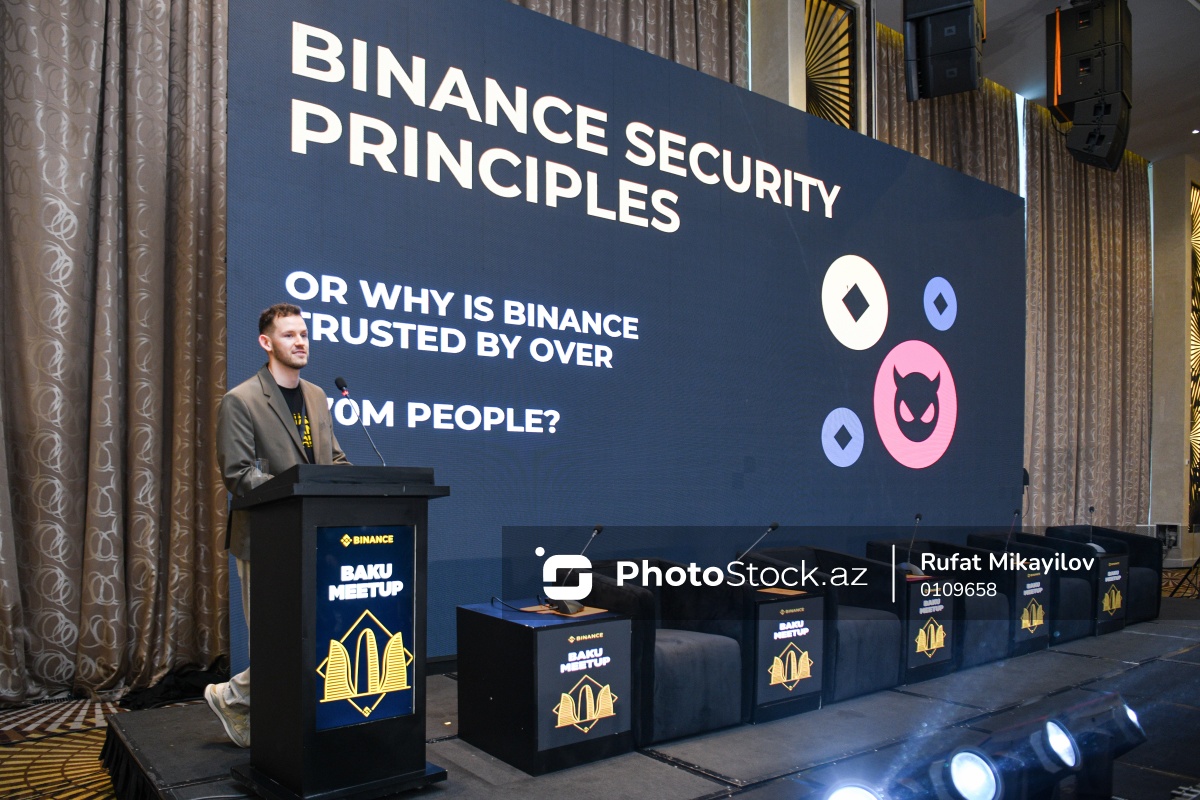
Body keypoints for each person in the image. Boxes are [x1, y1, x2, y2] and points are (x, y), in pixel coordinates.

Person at [205, 302, 351, 747]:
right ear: (266, 343)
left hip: (316, 534)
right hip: (266, 538)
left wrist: (354, 482)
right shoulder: (242, 399)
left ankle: (236, 700)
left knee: (314, 633)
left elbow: (333, 458)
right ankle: (235, 698)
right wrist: (299, 488)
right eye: (289, 335)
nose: (300, 341)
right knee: (277, 639)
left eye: (304, 334)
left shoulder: (318, 396)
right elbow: (238, 475)